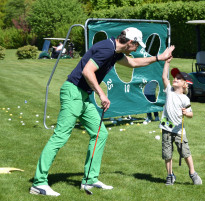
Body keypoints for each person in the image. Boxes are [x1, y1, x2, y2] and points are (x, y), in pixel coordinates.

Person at [29, 27, 175, 196]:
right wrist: (102, 94)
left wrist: (160, 58)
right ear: (130, 42)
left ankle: (90, 179)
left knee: (100, 133)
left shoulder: (115, 51)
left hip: (83, 96)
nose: (137, 48)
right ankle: (39, 183)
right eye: (136, 45)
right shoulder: (107, 49)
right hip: (73, 93)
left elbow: (134, 63)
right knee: (60, 136)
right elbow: (87, 71)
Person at [159, 56, 202, 185]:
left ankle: (193, 173)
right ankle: (170, 175)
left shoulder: (185, 99)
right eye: (175, 77)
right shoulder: (169, 91)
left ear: (184, 84)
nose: (175, 79)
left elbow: (191, 114)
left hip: (179, 131)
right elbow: (164, 77)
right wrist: (167, 63)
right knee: (167, 154)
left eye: (178, 78)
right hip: (166, 129)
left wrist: (186, 113)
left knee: (185, 152)